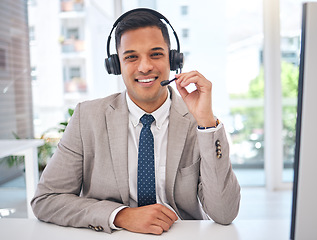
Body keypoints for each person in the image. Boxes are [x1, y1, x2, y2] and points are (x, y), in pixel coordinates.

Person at [31, 8, 240, 235]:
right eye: (131, 57)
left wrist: (207, 124)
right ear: (115, 65)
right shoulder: (87, 117)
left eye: (156, 54)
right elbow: (46, 199)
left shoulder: (197, 121)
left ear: (173, 59)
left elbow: (224, 212)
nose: (145, 67)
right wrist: (120, 215)